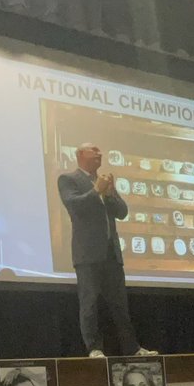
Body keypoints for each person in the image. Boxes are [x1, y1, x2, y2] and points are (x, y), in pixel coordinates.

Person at [57, 144, 156, 359]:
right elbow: (75, 205)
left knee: (120, 305)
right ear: (80, 155)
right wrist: (96, 191)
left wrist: (110, 194)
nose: (99, 154)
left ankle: (132, 348)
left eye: (100, 152)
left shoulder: (104, 180)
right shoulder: (68, 179)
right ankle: (94, 348)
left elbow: (122, 212)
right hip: (87, 255)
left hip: (111, 253)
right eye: (94, 151)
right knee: (89, 303)